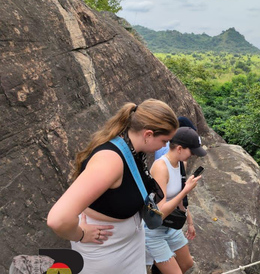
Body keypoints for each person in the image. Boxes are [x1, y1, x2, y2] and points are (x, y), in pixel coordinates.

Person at [47, 99, 196, 274]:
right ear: (148, 134)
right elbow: (58, 219)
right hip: (105, 251)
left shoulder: (134, 151)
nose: (165, 146)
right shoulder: (110, 161)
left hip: (128, 245)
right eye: (164, 140)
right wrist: (80, 234)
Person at [145, 126, 207, 274]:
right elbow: (161, 211)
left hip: (170, 226)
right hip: (154, 230)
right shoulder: (161, 167)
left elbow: (180, 199)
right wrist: (186, 189)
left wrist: (190, 222)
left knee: (186, 264)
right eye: (191, 151)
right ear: (179, 148)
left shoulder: (180, 164)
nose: (192, 155)